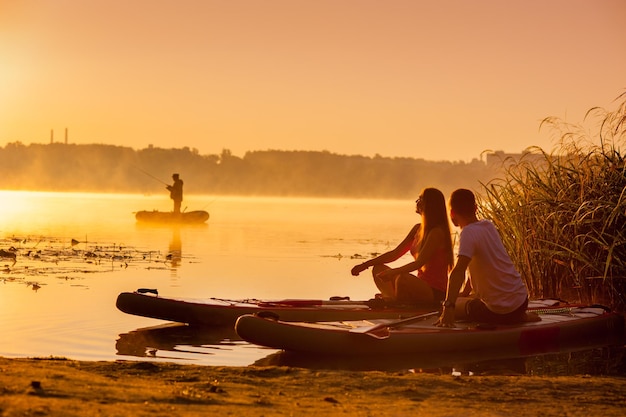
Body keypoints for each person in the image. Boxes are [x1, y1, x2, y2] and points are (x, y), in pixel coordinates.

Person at [436, 188, 533, 327]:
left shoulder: (467, 233)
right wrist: (465, 292)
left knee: (451, 306)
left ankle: (511, 318)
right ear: (475, 208)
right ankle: (518, 316)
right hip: (522, 302)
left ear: (451, 213)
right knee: (462, 300)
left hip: (498, 311)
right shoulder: (488, 226)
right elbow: (479, 265)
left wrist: (448, 307)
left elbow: (458, 272)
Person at [351, 188, 454, 305]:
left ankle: (393, 302)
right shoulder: (417, 229)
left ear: (429, 205)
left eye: (420, 199)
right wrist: (365, 265)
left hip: (434, 291)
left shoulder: (437, 232)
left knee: (402, 278)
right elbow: (394, 254)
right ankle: (390, 299)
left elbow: (419, 263)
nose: (416, 202)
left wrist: (394, 273)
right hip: (418, 285)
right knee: (378, 269)